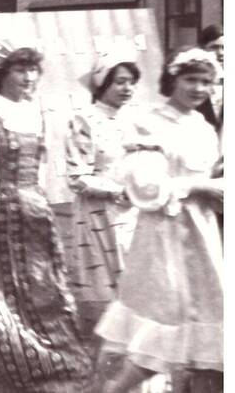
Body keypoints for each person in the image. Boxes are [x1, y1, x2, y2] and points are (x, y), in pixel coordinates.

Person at [0, 42, 92, 392]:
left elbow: (39, 170)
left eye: (33, 70)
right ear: (2, 75)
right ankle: (1, 369)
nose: (29, 78)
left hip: (34, 219)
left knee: (43, 291)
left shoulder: (33, 113)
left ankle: (40, 365)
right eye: (20, 70)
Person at [95, 48, 223, 393]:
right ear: (173, 80)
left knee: (207, 332)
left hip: (203, 235)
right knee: (160, 325)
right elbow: (146, 187)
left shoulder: (205, 128)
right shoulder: (147, 123)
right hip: (162, 236)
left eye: (206, 82)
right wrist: (201, 185)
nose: (198, 88)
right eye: (191, 79)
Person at [64, 54, 141, 334]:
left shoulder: (135, 119)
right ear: (102, 83)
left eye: (132, 82)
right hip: (97, 218)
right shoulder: (83, 120)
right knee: (103, 300)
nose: (127, 88)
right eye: (120, 82)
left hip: (134, 215)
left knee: (135, 294)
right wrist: (118, 190)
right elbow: (77, 177)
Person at [196, 24, 223, 132]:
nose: (221, 53)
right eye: (214, 47)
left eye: (225, 48)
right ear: (202, 49)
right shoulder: (194, 81)